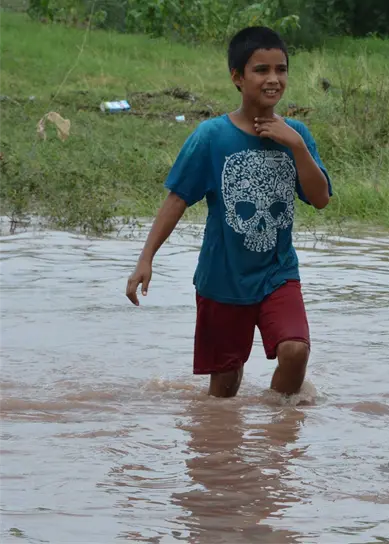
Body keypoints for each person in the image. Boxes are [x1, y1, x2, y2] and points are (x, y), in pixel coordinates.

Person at [125, 26, 332, 399]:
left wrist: (297, 146)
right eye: (261, 70)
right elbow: (176, 200)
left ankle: (275, 436)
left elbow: (320, 199)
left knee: (295, 351)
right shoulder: (211, 137)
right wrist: (146, 258)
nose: (273, 79)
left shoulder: (296, 135)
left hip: (278, 272)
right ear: (237, 77)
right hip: (222, 280)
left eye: (281, 69)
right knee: (224, 387)